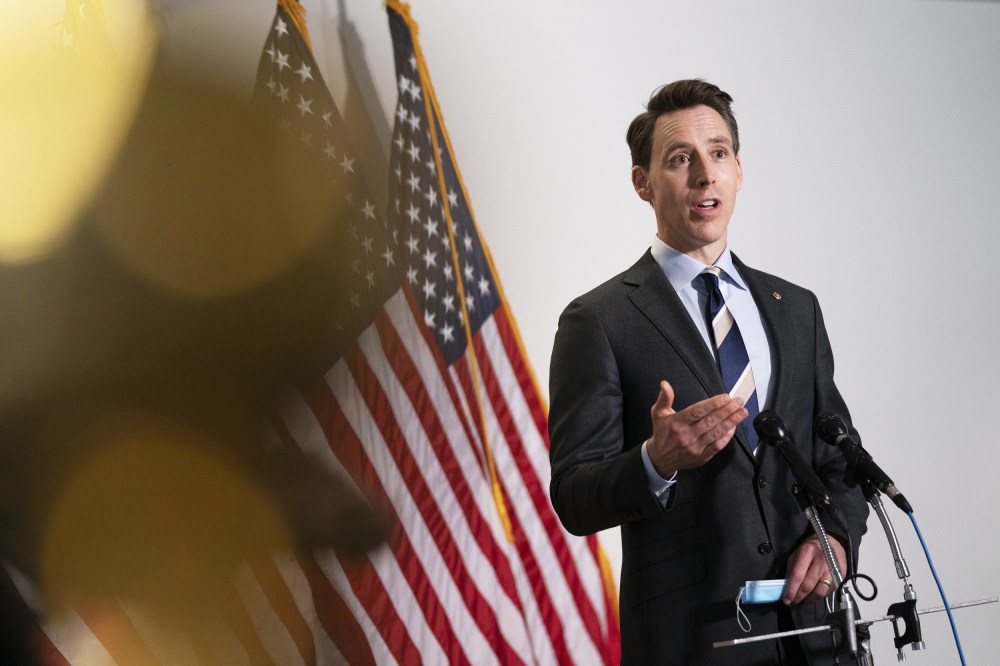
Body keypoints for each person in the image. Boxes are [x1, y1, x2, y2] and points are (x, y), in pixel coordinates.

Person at [548, 79, 869, 664]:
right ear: (642, 183)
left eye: (718, 153)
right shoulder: (597, 321)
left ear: (739, 171)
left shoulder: (797, 309)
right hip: (693, 642)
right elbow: (573, 496)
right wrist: (655, 461)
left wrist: (838, 542)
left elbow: (841, 464)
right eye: (679, 159)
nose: (704, 174)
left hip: (815, 640)